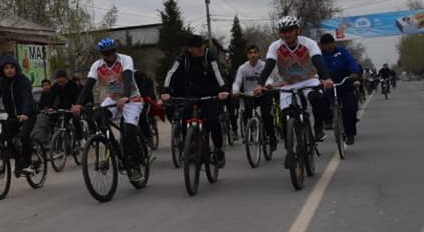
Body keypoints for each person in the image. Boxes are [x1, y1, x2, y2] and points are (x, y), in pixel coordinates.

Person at [252, 16, 334, 169]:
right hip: (288, 84)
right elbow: (269, 64)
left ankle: (318, 127)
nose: (287, 34)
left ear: (296, 30)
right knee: (285, 117)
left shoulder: (308, 43)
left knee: (317, 98)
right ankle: (290, 151)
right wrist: (260, 84)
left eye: (290, 31)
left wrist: (327, 78)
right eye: (283, 31)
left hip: (308, 80)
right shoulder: (275, 46)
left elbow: (318, 61)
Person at [71, 38, 147, 183]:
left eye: (111, 52)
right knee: (98, 116)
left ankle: (136, 164)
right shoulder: (97, 65)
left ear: (115, 51)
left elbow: (128, 77)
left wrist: (125, 97)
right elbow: (89, 86)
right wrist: (78, 104)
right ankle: (112, 145)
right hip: (113, 98)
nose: (109, 56)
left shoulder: (125, 59)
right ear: (101, 54)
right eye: (105, 53)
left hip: (131, 98)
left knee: (129, 132)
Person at [161, 34, 231, 167]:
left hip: (211, 94)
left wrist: (223, 89)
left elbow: (218, 72)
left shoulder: (208, 55)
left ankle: (218, 149)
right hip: (191, 95)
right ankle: (188, 148)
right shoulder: (183, 58)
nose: (201, 48)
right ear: (189, 49)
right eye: (197, 47)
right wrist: (165, 91)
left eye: (202, 45)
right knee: (184, 119)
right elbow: (171, 73)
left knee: (213, 121)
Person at [0, 54, 38, 177]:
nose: (9, 70)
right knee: (7, 139)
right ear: (3, 70)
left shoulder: (23, 81)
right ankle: (18, 162)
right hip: (13, 116)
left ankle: (28, 164)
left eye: (11, 67)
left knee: (23, 136)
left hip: (28, 114)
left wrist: (25, 113)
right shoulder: (1, 83)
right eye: (6, 68)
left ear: (16, 68)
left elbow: (27, 98)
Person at [231, 44, 278, 151]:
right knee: (247, 113)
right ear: (247, 55)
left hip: (263, 93)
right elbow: (237, 82)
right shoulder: (242, 68)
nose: (253, 55)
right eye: (250, 53)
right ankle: (250, 132)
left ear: (258, 54)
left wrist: (268, 85)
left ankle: (272, 137)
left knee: (266, 114)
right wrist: (235, 90)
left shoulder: (264, 65)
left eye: (255, 52)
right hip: (249, 95)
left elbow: (269, 78)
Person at [319, 33, 361, 145]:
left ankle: (350, 133)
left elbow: (351, 62)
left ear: (334, 43)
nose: (329, 46)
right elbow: (314, 68)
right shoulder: (319, 55)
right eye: (326, 45)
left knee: (350, 109)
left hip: (345, 83)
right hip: (329, 85)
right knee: (322, 100)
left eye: (330, 44)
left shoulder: (342, 52)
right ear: (322, 46)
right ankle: (328, 120)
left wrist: (354, 73)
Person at [47, 68, 82, 138]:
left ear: (66, 78)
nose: (60, 80)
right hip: (61, 109)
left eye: (61, 78)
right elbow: (51, 98)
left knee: (76, 120)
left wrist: (75, 106)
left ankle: (80, 138)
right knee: (55, 121)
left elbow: (77, 97)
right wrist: (50, 107)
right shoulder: (55, 87)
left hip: (72, 108)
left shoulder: (73, 85)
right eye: (58, 78)